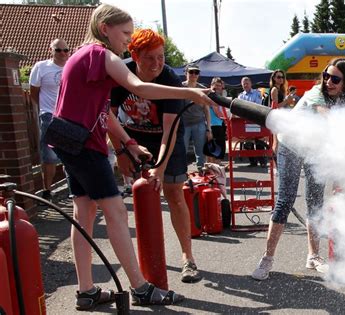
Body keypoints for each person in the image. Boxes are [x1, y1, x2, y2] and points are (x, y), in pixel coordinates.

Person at [50, 4, 214, 310]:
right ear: (104, 29)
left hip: (67, 138)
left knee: (83, 213)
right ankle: (140, 288)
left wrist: (128, 142)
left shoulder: (85, 57)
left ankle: (85, 291)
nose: (128, 39)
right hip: (85, 143)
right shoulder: (101, 55)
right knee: (116, 212)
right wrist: (190, 93)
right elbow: (140, 88)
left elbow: (102, 110)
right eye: (125, 33)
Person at [251, 58, 345, 281]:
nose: (328, 81)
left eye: (335, 78)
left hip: (316, 149)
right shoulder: (316, 94)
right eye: (326, 75)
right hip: (291, 145)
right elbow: (330, 120)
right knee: (285, 200)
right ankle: (267, 259)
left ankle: (313, 256)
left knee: (315, 202)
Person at [110, 29, 202, 284]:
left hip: (166, 137)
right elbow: (107, 116)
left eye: (161, 57)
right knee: (142, 195)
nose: (157, 63)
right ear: (134, 55)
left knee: (174, 193)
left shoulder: (170, 79)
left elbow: (170, 130)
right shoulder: (120, 74)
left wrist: (160, 167)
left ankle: (188, 258)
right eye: (150, 58)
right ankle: (145, 261)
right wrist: (121, 152)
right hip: (133, 140)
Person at [29, 38, 70, 200]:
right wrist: (45, 109)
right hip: (49, 115)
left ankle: (74, 188)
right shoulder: (41, 67)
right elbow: (34, 92)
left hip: (69, 116)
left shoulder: (71, 66)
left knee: (71, 153)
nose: (62, 53)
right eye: (58, 50)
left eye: (66, 50)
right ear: (50, 50)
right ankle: (47, 190)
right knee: (50, 155)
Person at [182, 64, 212, 170]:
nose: (194, 74)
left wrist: (209, 128)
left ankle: (201, 172)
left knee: (200, 151)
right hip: (184, 123)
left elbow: (207, 110)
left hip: (199, 122)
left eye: (196, 72)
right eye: (191, 72)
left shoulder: (202, 89)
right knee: (182, 150)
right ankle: (182, 173)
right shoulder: (181, 87)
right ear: (186, 73)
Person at [237, 77, 267, 167]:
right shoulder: (240, 96)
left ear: (251, 84)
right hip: (245, 122)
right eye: (244, 83)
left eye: (247, 83)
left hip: (257, 121)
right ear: (242, 85)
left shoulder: (257, 93)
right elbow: (239, 108)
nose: (246, 85)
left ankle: (262, 162)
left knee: (259, 142)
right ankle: (253, 162)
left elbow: (257, 106)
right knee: (247, 143)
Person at [206, 77, 227, 165]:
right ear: (212, 85)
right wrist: (225, 118)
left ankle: (214, 166)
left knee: (215, 146)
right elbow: (217, 111)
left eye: (220, 85)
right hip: (214, 124)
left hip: (217, 123)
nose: (218, 87)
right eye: (216, 85)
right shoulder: (212, 95)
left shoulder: (217, 95)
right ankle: (215, 166)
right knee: (218, 145)